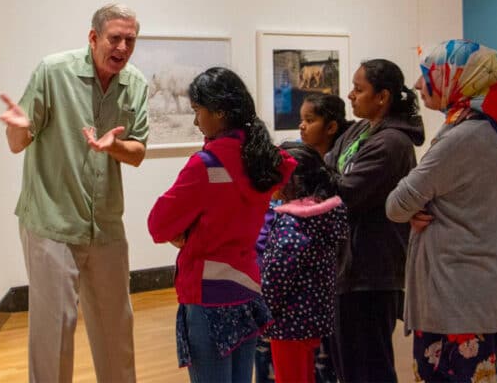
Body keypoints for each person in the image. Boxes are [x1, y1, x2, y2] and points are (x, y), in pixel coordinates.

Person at [0, 4, 149, 383]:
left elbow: (138, 152)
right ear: (93, 37)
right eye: (115, 38)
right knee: (54, 336)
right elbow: (19, 143)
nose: (123, 47)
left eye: (130, 40)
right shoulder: (53, 72)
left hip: (107, 226)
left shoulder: (136, 84)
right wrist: (17, 127)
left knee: (117, 333)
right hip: (52, 221)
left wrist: (110, 146)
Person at [386, 40, 497, 383]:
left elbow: (396, 204)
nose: (418, 84)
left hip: (456, 299)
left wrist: (413, 206)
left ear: (460, 80)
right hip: (474, 294)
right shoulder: (490, 128)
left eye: (429, 75)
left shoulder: (464, 136)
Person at [147, 67, 296, 383]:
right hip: (247, 288)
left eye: (197, 111)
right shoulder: (264, 161)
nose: (196, 120)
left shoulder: (207, 166)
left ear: (219, 111)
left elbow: (158, 225)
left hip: (206, 294)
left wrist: (187, 233)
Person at [326, 59, 425, 383]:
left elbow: (345, 192)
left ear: (382, 97)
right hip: (348, 267)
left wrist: (326, 181)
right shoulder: (358, 130)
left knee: (370, 367)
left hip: (372, 270)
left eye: (358, 89)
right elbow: (329, 169)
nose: (350, 96)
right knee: (349, 366)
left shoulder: (393, 142)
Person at [255, 93, 352, 383]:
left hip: (288, 325)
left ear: (290, 182)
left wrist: (260, 311)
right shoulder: (324, 217)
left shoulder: (291, 226)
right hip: (315, 319)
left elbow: (276, 278)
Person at [299, 92, 353, 158]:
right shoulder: (302, 153)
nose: (301, 126)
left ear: (331, 127)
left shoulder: (345, 160)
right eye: (302, 120)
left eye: (309, 120)